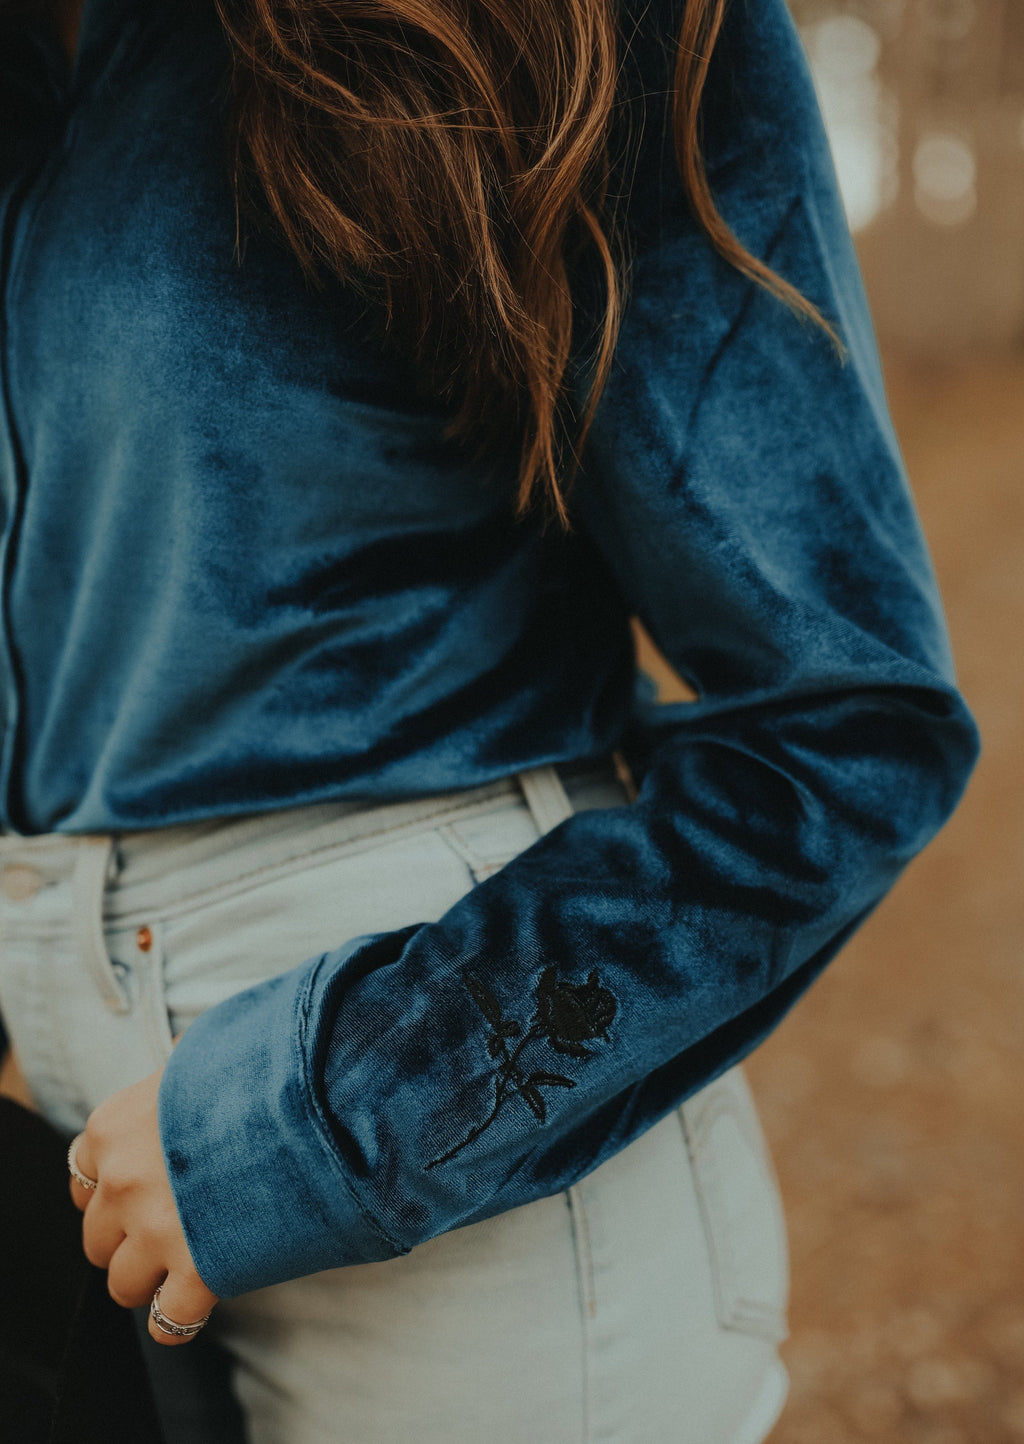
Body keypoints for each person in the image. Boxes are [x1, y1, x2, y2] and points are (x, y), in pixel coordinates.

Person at [0, 0, 980, 1440]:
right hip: (74, 1163)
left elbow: (849, 729)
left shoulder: (592, 27)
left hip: (441, 1186)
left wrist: (322, 1120)